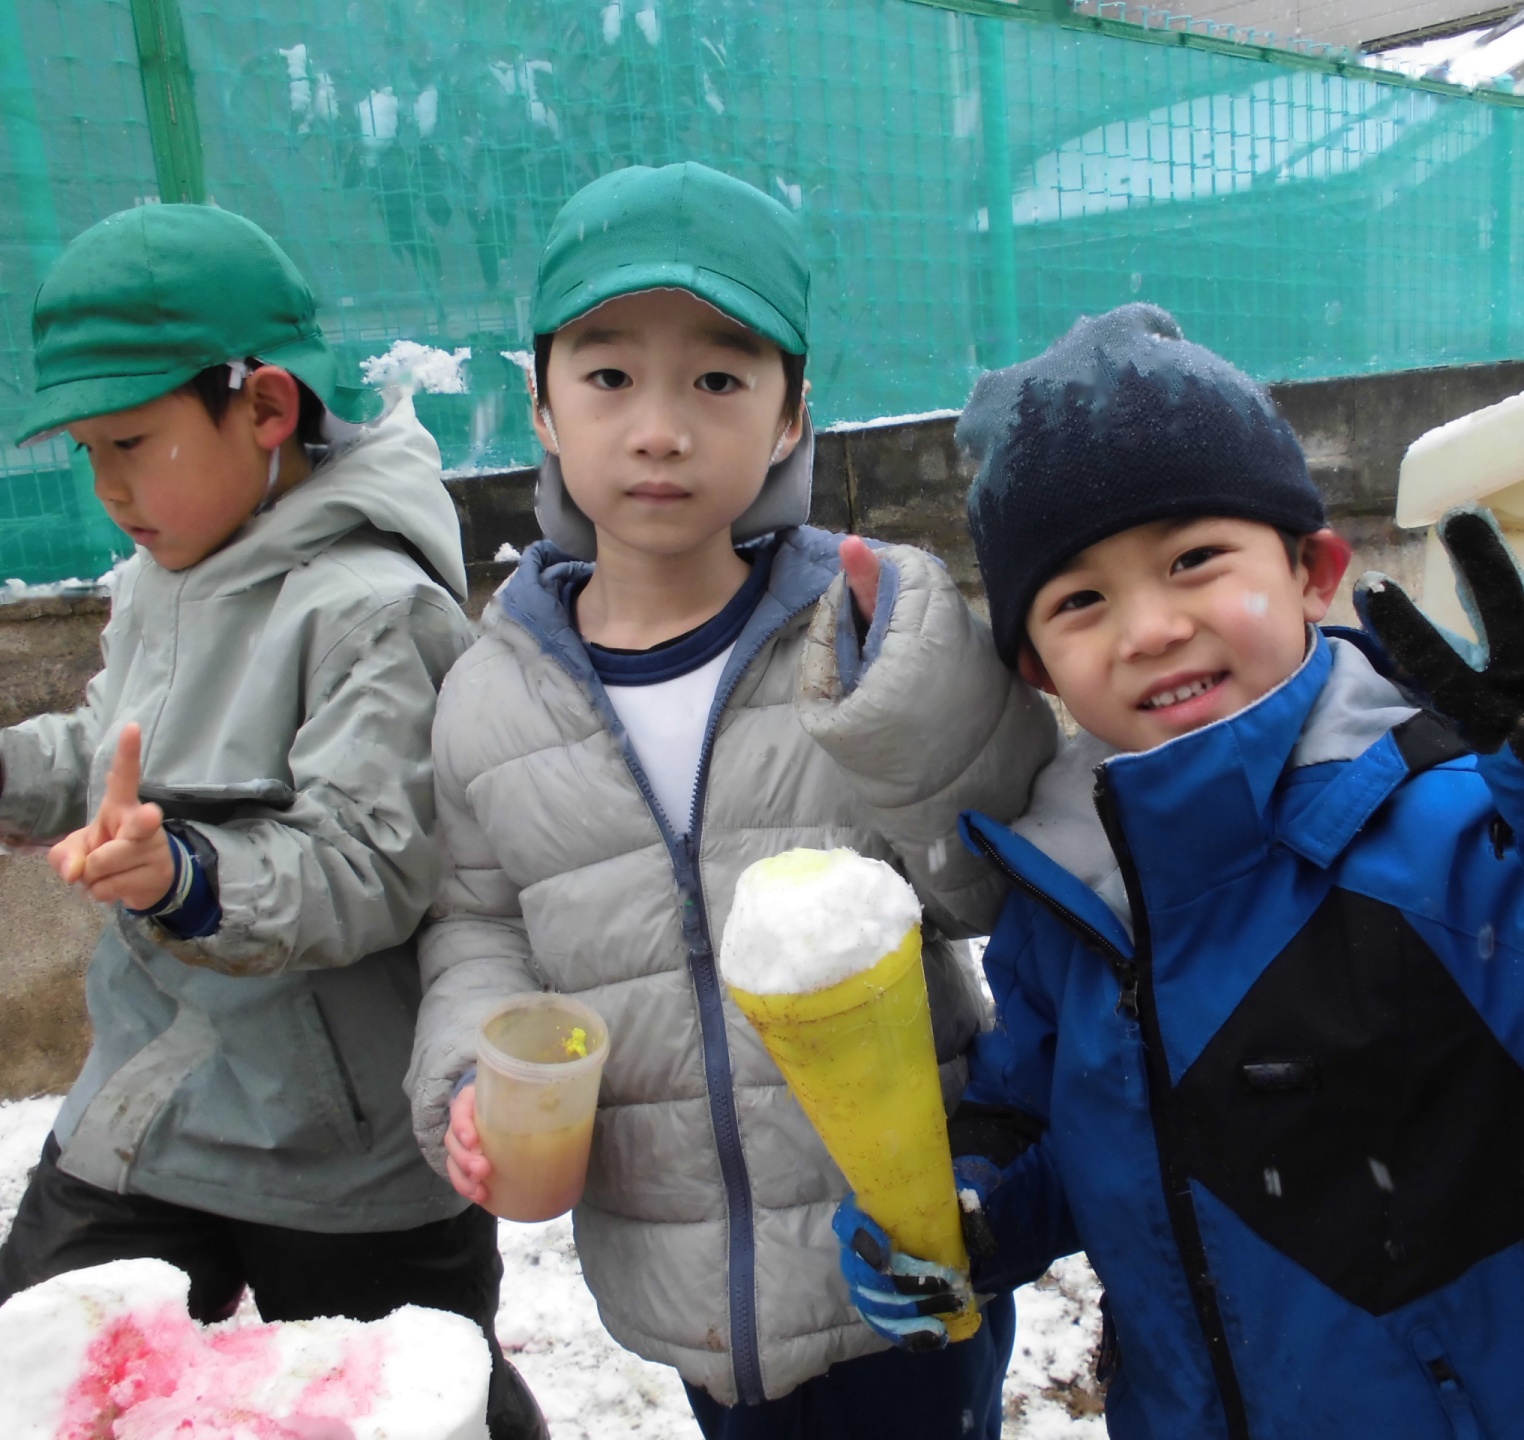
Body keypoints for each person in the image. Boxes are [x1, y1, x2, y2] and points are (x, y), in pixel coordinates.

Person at [832, 303, 1524, 1439]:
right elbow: (1063, 1128)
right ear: (1039, 667)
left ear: (1316, 570)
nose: (1149, 628)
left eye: (1193, 560)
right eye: (1081, 601)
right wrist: (968, 1211)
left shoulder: (1458, 845)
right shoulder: (1068, 891)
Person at [0, 205, 544, 1438]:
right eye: (87, 452)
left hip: (342, 1154)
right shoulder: (168, 570)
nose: (108, 488)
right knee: (45, 1386)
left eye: (131, 443)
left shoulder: (373, 610)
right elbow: (121, 754)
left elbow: (373, 867)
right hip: (157, 1107)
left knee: (419, 1405)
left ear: (264, 407)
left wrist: (186, 877)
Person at [405, 161, 1059, 1439]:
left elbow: (992, 882)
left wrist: (910, 704)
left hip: (902, 1240)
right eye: (609, 376)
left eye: (718, 379)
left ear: (791, 414)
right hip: (690, 1281)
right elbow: (477, 924)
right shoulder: (491, 695)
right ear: (541, 406)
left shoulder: (869, 626)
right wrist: (473, 1076)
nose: (660, 429)